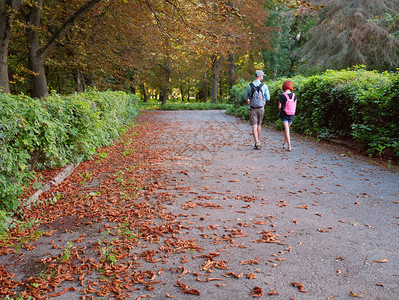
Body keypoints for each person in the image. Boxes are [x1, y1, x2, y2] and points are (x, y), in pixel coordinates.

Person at [244, 70, 270, 150]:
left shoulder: (249, 85)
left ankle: (256, 143)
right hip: (261, 108)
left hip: (252, 108)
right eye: (262, 76)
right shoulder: (264, 86)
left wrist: (248, 100)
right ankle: (258, 142)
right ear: (260, 76)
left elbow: (245, 97)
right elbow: (268, 98)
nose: (263, 77)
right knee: (259, 124)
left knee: (254, 125)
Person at [278, 80, 297, 151]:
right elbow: (295, 106)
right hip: (292, 114)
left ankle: (289, 146)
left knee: (287, 130)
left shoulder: (282, 95)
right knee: (287, 130)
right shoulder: (294, 95)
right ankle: (284, 144)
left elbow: (279, 107)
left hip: (284, 114)